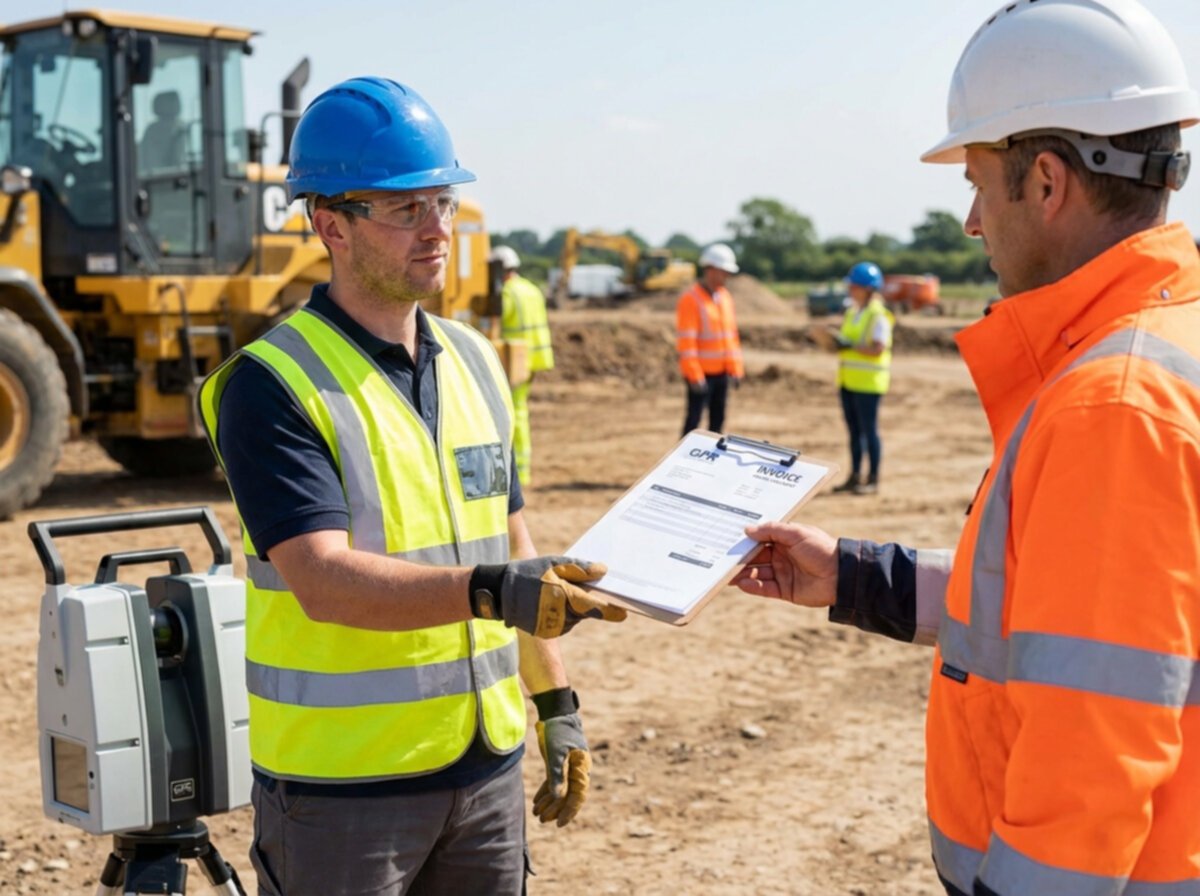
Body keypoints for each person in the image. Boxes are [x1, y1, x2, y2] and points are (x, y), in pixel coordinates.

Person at [734, 1, 1200, 893]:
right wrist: (858, 576)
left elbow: (1093, 745)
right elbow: (1074, 614)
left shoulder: (1116, 402)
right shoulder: (1169, 340)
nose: (972, 224)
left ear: (1049, 183)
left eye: (979, 185)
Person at [197, 76, 625, 896]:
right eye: (404, 210)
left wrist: (557, 703)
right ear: (332, 226)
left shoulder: (474, 361)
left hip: (484, 769)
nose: (437, 231)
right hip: (345, 791)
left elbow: (514, 548)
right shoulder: (273, 383)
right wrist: (497, 594)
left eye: (443, 203)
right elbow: (321, 580)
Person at [491, 245, 554, 485]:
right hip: (536, 357)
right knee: (520, 409)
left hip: (515, 360)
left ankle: (521, 472)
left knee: (515, 413)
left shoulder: (507, 293)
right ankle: (523, 469)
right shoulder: (531, 289)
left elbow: (497, 322)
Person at [829, 261, 893, 495]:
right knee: (854, 433)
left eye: (854, 285)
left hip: (869, 384)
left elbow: (878, 348)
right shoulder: (852, 313)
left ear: (868, 289)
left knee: (869, 431)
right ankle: (855, 477)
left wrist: (850, 346)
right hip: (848, 382)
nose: (850, 289)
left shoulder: (878, 316)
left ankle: (873, 479)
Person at [676, 243, 744, 436]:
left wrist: (735, 368)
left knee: (718, 423)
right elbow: (686, 343)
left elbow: (731, 338)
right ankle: (684, 463)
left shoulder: (725, 298)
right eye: (724, 271)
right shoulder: (691, 299)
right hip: (701, 375)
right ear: (710, 270)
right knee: (693, 424)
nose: (727, 277)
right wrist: (694, 375)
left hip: (722, 373)